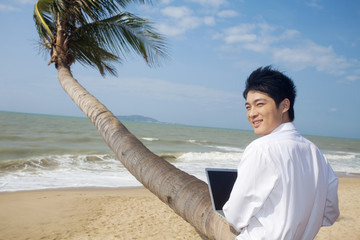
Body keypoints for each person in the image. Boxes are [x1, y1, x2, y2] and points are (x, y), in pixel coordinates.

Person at [223, 66, 339, 240]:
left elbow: (235, 216)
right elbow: (330, 213)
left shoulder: (262, 148)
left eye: (260, 104)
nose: (252, 113)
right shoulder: (316, 154)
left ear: (284, 105)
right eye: (248, 107)